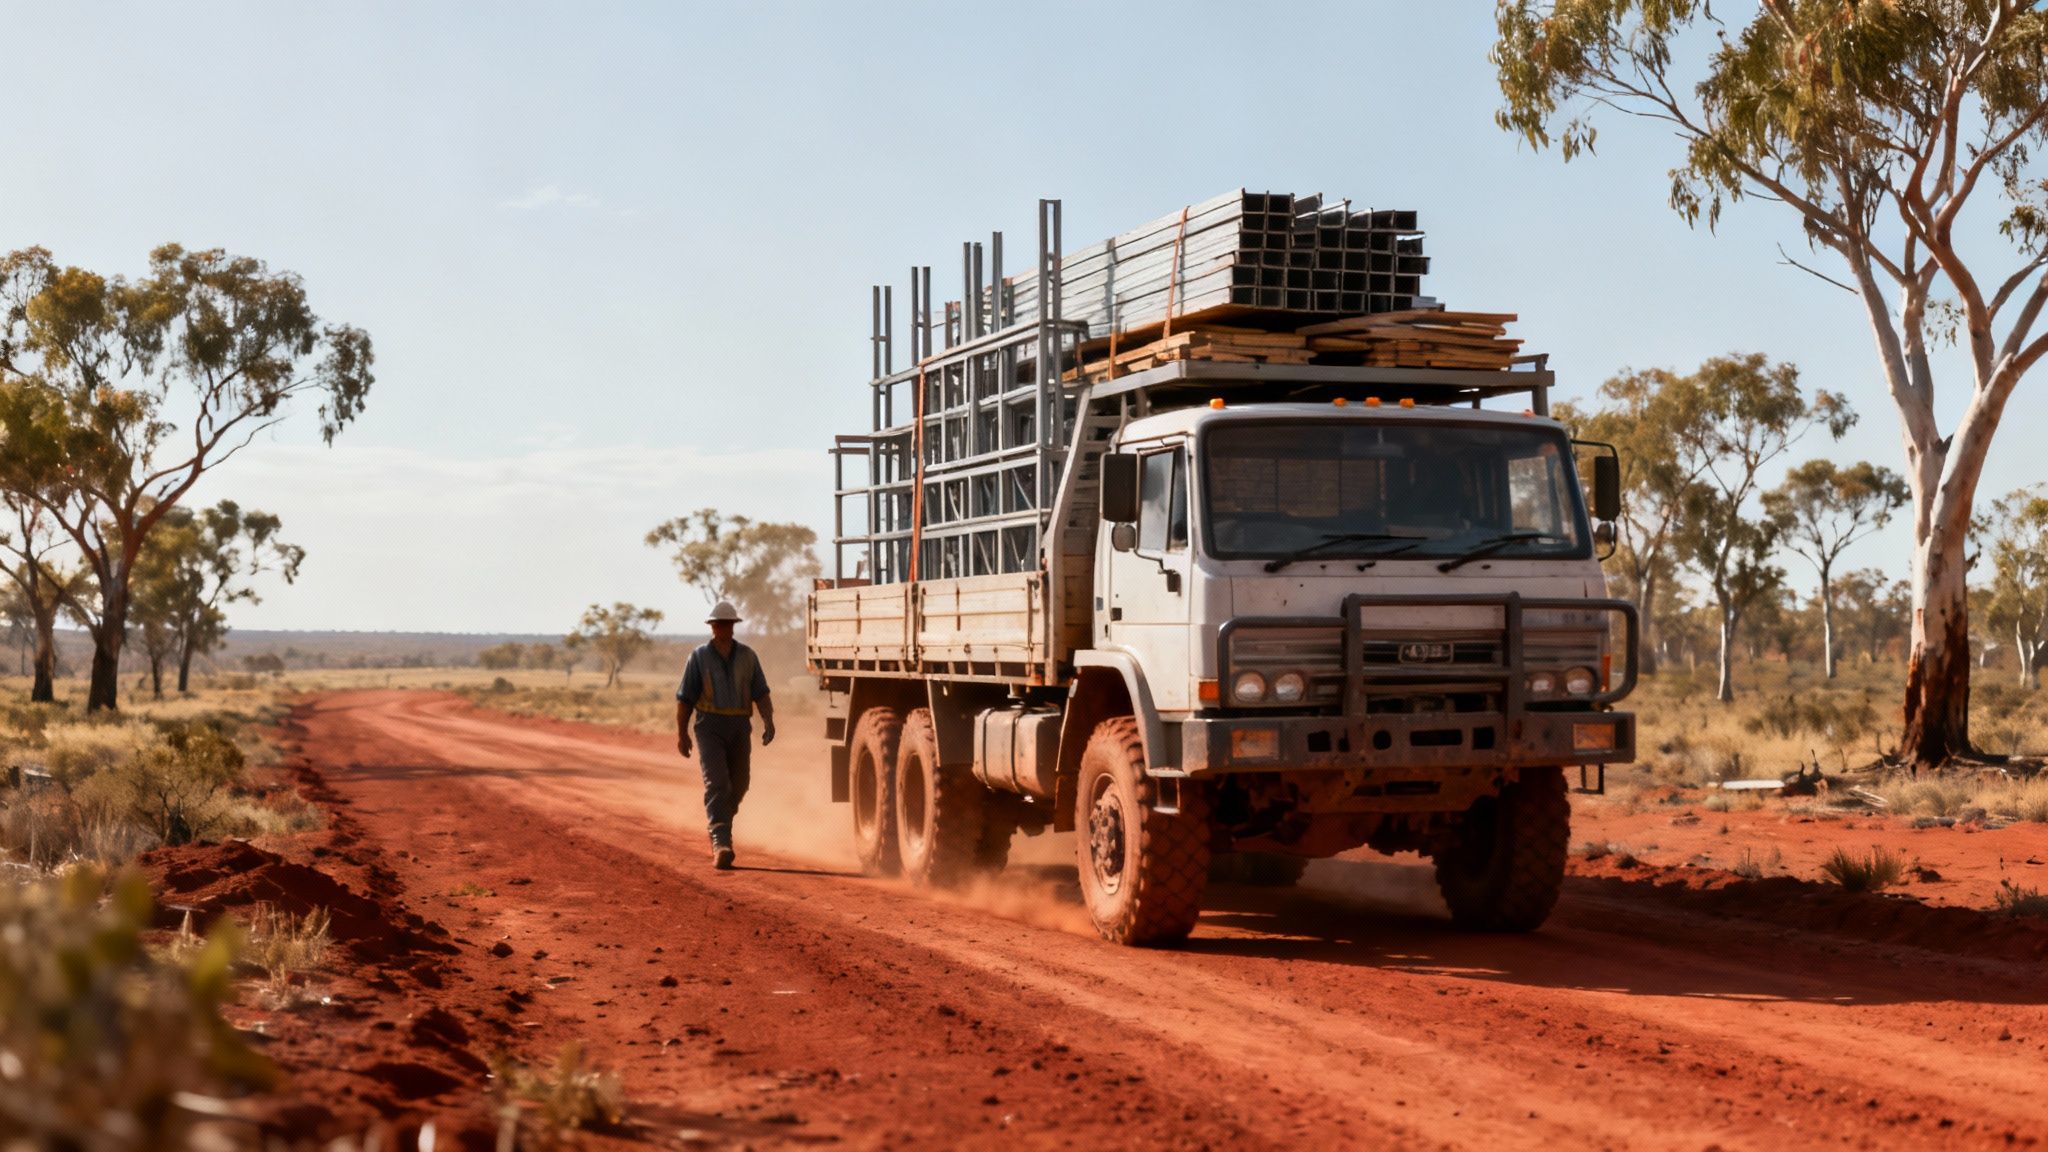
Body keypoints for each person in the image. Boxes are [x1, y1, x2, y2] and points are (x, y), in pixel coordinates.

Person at [675, 601, 775, 870]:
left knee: (740, 783)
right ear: (712, 627)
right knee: (718, 782)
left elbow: (761, 692)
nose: (722, 628)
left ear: (733, 626)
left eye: (727, 624)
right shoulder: (698, 657)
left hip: (740, 727)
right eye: (718, 624)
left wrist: (768, 720)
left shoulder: (748, 656)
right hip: (709, 727)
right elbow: (685, 699)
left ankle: (719, 820)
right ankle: (721, 842)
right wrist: (682, 734)